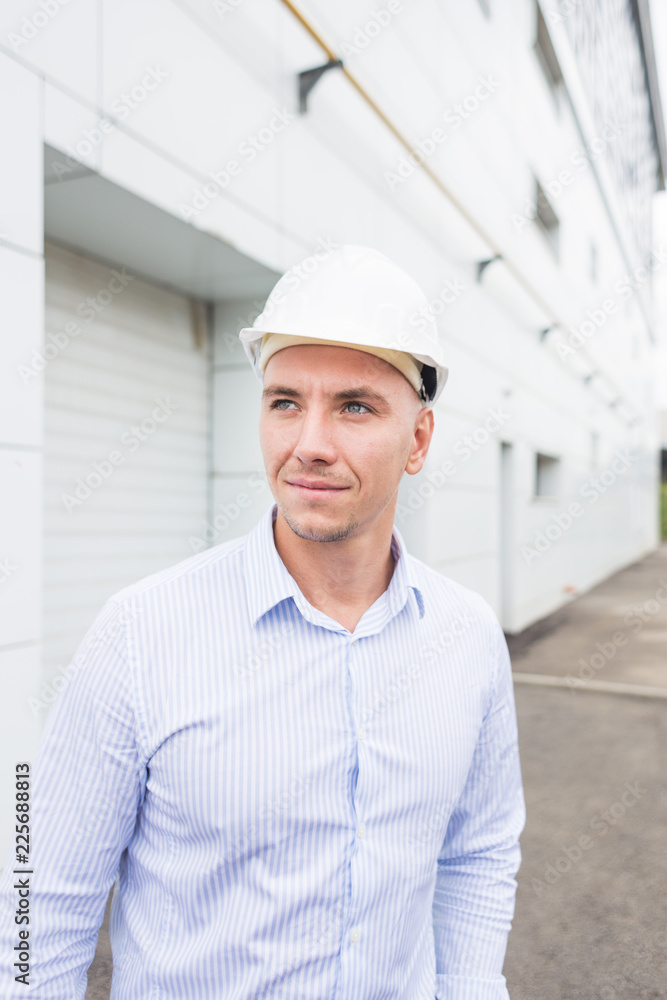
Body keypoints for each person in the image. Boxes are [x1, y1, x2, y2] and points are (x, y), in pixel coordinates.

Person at [0, 245, 525, 999]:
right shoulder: (141, 633)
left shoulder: (467, 639)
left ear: (417, 441)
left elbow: (476, 849)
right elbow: (37, 897)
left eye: (353, 406)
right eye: (285, 401)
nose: (308, 444)